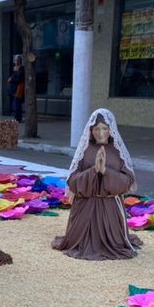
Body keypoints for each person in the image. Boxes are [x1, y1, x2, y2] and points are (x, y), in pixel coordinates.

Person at [52, 108, 141, 261]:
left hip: (110, 209)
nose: (100, 133)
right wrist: (93, 171)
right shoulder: (84, 151)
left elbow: (127, 181)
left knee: (115, 243)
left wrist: (106, 171)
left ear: (111, 129)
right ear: (91, 130)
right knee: (80, 243)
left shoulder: (118, 151)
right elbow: (72, 181)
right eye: (96, 129)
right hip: (85, 209)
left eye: (104, 129)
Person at [7, 54, 25, 122]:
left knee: (17, 104)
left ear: (18, 61)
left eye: (15, 60)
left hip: (18, 89)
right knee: (15, 104)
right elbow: (11, 78)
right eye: (14, 60)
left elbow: (18, 79)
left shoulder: (21, 69)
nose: (14, 61)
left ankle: (17, 118)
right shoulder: (15, 69)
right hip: (14, 89)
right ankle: (17, 117)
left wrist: (11, 79)